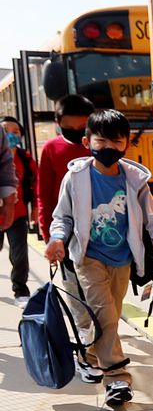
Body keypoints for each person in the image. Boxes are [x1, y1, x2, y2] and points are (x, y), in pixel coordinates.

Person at [44, 109, 153, 403]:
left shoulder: (134, 179)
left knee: (108, 317)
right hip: (88, 257)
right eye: (101, 141)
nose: (108, 148)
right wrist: (57, 238)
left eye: (117, 141)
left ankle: (87, 355)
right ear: (87, 141)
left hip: (123, 259)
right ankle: (117, 378)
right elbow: (63, 216)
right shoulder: (76, 178)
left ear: (126, 144)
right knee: (105, 314)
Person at [37, 94, 94, 242]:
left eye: (82, 127)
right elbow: (44, 193)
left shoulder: (101, 146)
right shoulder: (50, 149)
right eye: (68, 128)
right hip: (64, 227)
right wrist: (47, 232)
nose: (75, 131)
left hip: (99, 224)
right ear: (58, 122)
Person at [0, 116, 35, 298]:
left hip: (18, 214)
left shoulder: (25, 157)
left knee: (19, 254)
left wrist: (35, 208)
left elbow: (35, 183)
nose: (10, 135)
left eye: (16, 132)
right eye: (6, 131)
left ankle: (20, 289)